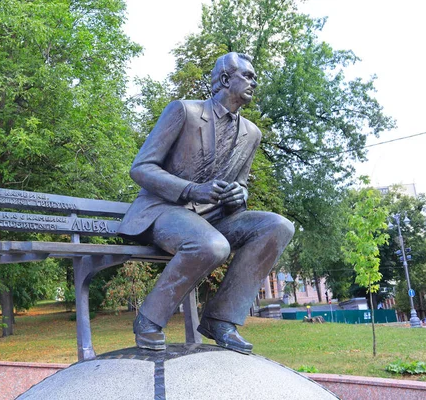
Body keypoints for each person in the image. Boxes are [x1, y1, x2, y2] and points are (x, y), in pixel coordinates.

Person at [118, 52, 294, 354]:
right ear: (225, 79)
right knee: (213, 245)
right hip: (163, 211)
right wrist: (190, 190)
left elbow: (239, 181)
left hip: (212, 219)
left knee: (279, 226)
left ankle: (221, 320)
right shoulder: (183, 112)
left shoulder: (252, 133)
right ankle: (148, 318)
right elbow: (141, 168)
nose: (254, 82)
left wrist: (241, 194)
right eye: (247, 76)